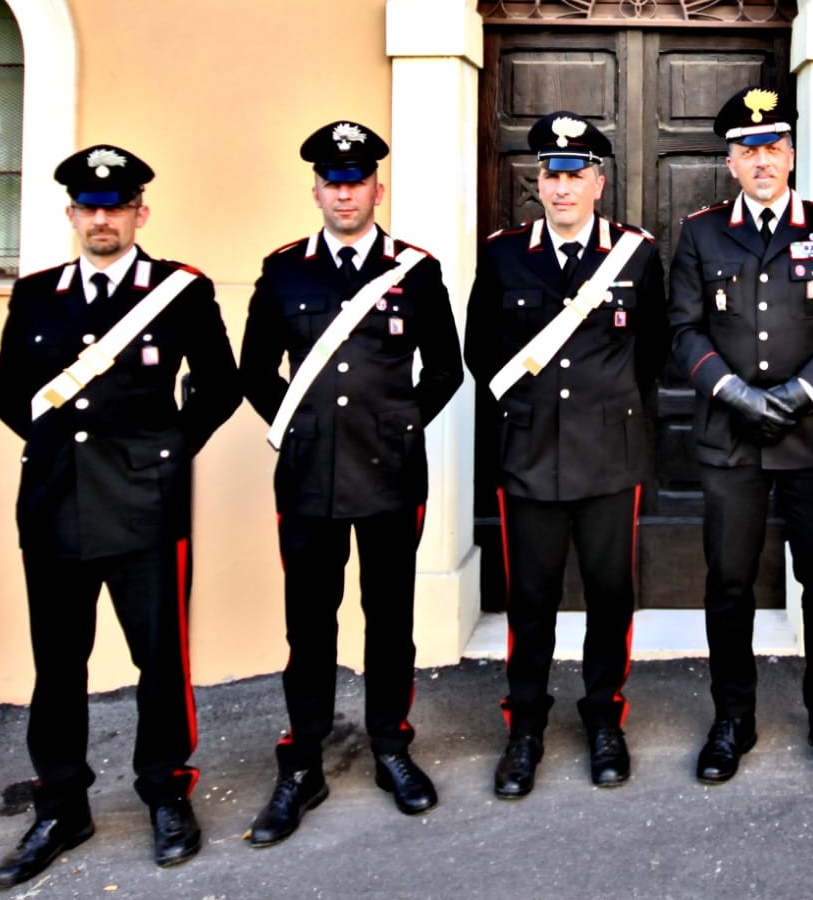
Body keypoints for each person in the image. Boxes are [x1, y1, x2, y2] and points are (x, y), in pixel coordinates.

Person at [0, 145, 241, 887]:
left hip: (145, 509)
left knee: (159, 660)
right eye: (89, 207)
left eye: (117, 206)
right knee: (57, 665)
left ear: (140, 213)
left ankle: (166, 792)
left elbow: (220, 387)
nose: (103, 219)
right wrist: (68, 455)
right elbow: (10, 397)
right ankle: (61, 806)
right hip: (54, 507)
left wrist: (166, 451)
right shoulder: (36, 295)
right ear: (72, 214)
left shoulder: (179, 292)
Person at [238, 120, 463, 842]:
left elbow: (447, 369)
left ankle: (392, 747)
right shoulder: (284, 272)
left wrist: (403, 425)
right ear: (316, 191)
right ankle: (302, 762)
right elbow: (253, 371)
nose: (344, 194)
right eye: (332, 183)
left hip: (391, 476)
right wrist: (295, 426)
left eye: (356, 182)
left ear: (377, 189)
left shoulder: (415, 272)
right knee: (309, 625)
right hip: (308, 480)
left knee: (389, 620)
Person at [669, 86, 813, 783]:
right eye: (747, 149)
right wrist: (733, 392)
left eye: (773, 146)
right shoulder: (701, 233)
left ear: (790, 155)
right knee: (729, 582)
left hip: (811, 432)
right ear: (730, 161)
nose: (761, 160)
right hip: (730, 435)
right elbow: (683, 329)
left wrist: (799, 392)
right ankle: (733, 718)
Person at [464, 111, 668, 798]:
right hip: (529, 455)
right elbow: (480, 348)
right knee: (530, 599)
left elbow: (653, 350)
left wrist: (609, 407)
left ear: (597, 182)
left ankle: (604, 717)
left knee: (611, 595)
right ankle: (524, 728)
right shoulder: (503, 255)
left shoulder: (635, 255)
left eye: (575, 175)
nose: (562, 188)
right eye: (551, 175)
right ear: (538, 182)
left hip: (610, 455)